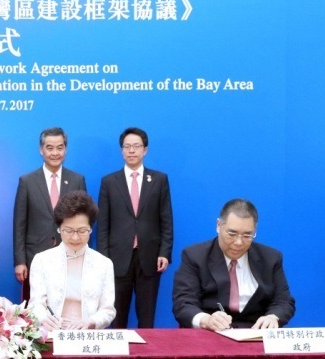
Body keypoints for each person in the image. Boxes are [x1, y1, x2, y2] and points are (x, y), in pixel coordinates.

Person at [172, 198, 295, 330]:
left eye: (247, 235)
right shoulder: (195, 256)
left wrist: (273, 317)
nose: (238, 242)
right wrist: (206, 320)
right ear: (218, 225)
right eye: (232, 233)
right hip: (210, 332)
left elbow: (284, 301)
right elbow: (183, 303)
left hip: (255, 332)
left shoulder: (270, 258)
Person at [97, 127, 173, 328]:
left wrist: (164, 252)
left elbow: (166, 219)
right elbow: (102, 224)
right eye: (127, 146)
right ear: (122, 150)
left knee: (147, 316)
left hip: (150, 257)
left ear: (145, 150)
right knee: (117, 316)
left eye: (136, 146)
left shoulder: (159, 180)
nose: (131, 150)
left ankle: (147, 349)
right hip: (117, 258)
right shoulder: (109, 182)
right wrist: (103, 259)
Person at [13, 127, 88, 300]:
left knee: (67, 304)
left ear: (65, 149)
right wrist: (20, 261)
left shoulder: (77, 180)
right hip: (35, 256)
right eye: (50, 148)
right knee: (35, 306)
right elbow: (19, 224)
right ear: (41, 150)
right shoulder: (27, 181)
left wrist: (83, 256)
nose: (55, 153)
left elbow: (85, 222)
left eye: (60, 148)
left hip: (70, 254)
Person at [29, 191, 116, 330]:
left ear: (91, 229)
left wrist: (91, 322)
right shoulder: (42, 260)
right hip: (52, 333)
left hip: (87, 335)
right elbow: (35, 304)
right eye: (68, 231)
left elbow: (108, 310)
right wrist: (43, 318)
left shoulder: (104, 264)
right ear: (59, 229)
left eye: (82, 231)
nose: (75, 238)